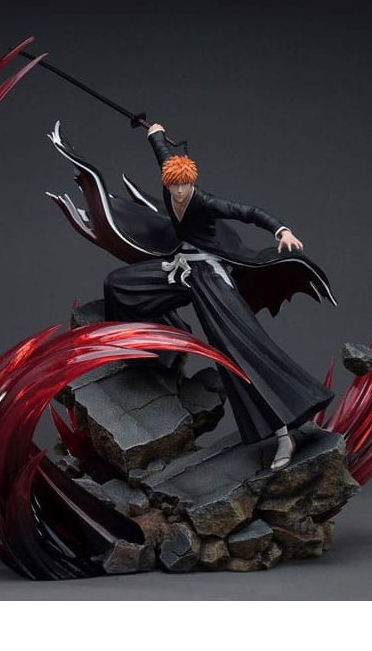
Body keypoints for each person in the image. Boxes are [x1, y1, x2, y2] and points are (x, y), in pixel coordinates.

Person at [97, 123, 335, 472]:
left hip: (211, 279)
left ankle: (285, 434)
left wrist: (280, 230)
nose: (179, 192)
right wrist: (154, 132)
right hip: (181, 271)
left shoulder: (204, 201)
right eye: (173, 186)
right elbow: (162, 153)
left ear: (191, 183)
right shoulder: (170, 182)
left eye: (184, 186)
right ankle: (152, 355)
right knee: (120, 284)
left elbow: (247, 212)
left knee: (238, 354)